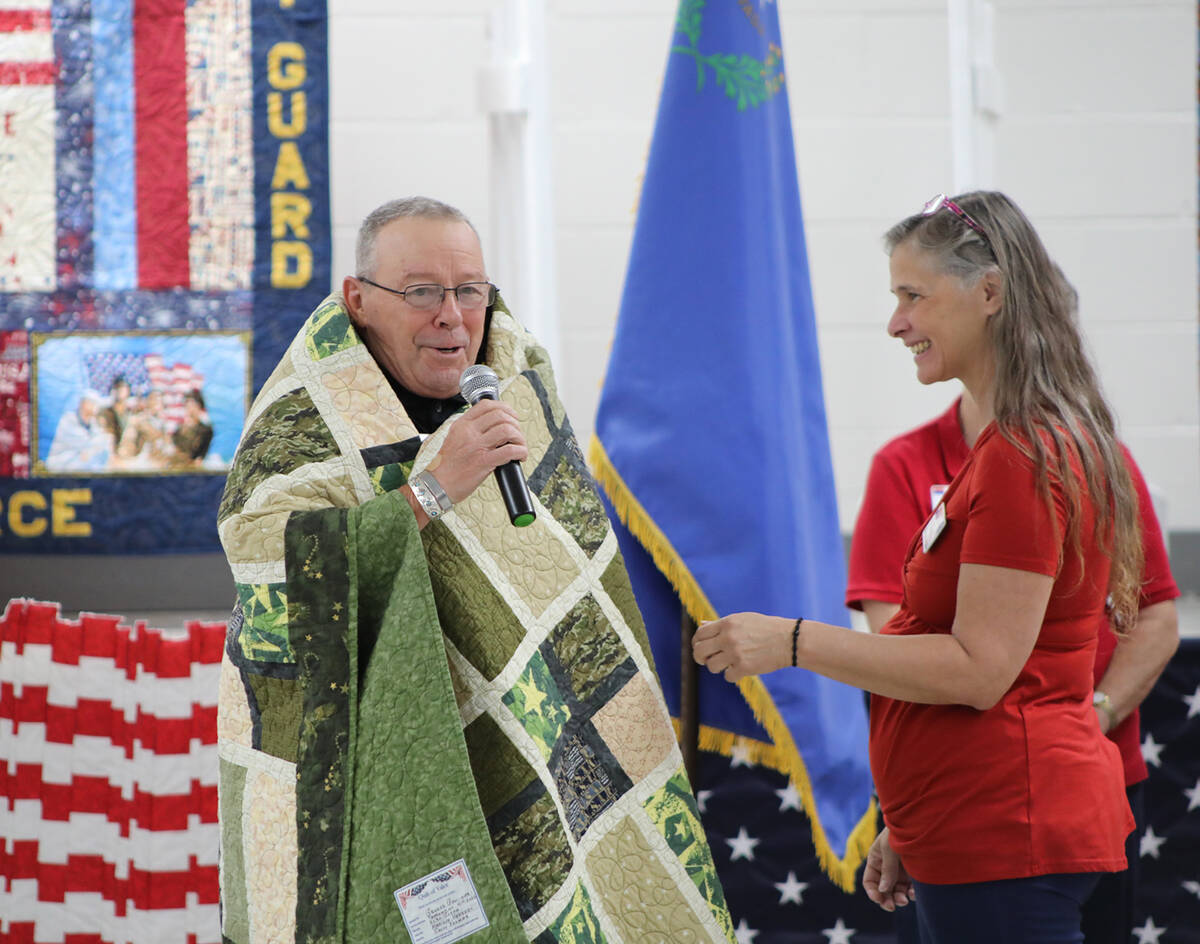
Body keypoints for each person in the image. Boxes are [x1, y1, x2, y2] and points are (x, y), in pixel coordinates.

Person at [215, 197, 734, 943]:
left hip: (526, 734)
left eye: (470, 290)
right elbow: (266, 560)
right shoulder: (304, 422)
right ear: (358, 301)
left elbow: (565, 576)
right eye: (422, 291)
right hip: (370, 752)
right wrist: (430, 491)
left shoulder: (514, 382)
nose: (452, 316)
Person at [693, 191, 1146, 943]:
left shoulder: (1023, 455)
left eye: (913, 296)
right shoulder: (1022, 442)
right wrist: (916, 816)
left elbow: (979, 670)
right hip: (977, 823)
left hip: (1010, 832)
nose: (896, 322)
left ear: (990, 294)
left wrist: (793, 643)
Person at [847, 388, 1180, 944]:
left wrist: (1089, 719)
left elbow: (1155, 618)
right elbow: (898, 641)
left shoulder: (1095, 458)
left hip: (1088, 786)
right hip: (962, 795)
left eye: (913, 296)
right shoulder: (906, 463)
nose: (897, 325)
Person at [45, 389, 112, 471]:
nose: (95, 407)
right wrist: (92, 449)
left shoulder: (93, 423)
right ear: (84, 403)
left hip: (83, 463)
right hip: (63, 463)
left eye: (96, 404)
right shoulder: (68, 419)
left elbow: (100, 442)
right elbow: (80, 444)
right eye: (93, 403)